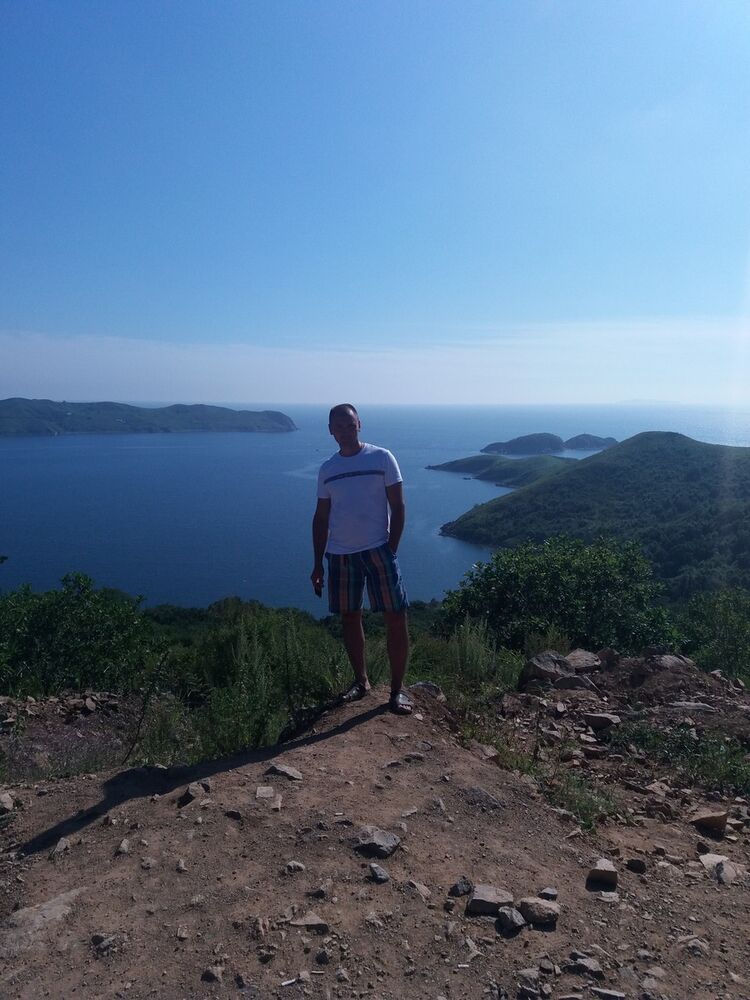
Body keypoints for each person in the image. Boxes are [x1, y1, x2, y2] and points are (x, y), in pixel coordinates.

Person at [311, 403, 413, 714]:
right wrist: (317, 564)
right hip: (340, 555)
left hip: (378, 549)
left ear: (360, 425)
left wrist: (390, 548)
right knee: (349, 617)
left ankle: (397, 690)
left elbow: (398, 506)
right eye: (338, 426)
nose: (345, 430)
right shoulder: (328, 469)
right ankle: (361, 681)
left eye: (350, 424)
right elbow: (321, 518)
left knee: (396, 616)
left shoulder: (382, 457)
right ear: (331, 431)